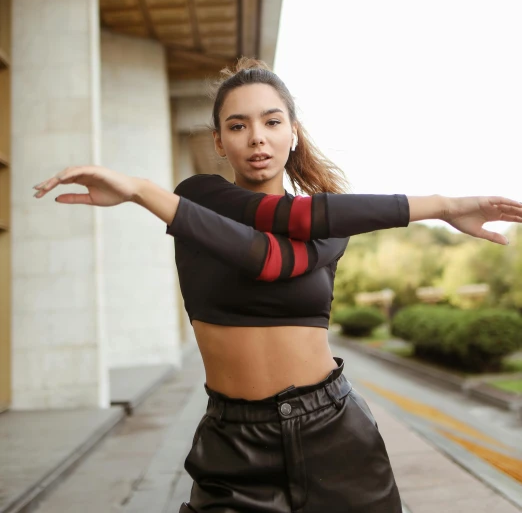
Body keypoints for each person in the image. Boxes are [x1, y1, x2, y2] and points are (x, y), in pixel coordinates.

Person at [33, 58, 522, 513]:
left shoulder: (331, 223)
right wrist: (144, 191)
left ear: (293, 134)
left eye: (271, 122)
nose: (256, 139)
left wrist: (445, 205)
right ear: (220, 141)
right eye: (237, 126)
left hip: (334, 431)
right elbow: (259, 243)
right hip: (233, 445)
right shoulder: (198, 199)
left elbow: (274, 257)